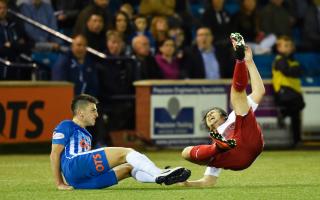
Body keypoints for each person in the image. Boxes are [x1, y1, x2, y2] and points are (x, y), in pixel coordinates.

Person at [50, 94, 191, 190]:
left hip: (80, 181)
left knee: (128, 168)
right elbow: (54, 154)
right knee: (126, 153)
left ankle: (160, 179)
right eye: (93, 110)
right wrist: (59, 183)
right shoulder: (66, 125)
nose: (97, 114)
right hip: (74, 165)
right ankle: (158, 172)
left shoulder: (86, 134)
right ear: (80, 112)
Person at [180, 33, 265, 187]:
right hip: (234, 157)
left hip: (248, 138)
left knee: (238, 101)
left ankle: (239, 60)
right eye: (207, 117)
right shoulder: (215, 142)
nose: (210, 114)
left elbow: (259, 92)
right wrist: (183, 184)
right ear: (209, 127)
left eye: (213, 112)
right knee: (185, 152)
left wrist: (250, 62)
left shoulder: (233, 117)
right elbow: (208, 182)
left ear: (223, 116)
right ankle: (219, 148)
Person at [272, 35, 305, 147]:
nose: (288, 48)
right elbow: (288, 71)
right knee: (298, 105)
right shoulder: (279, 60)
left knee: (296, 116)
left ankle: (297, 140)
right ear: (279, 48)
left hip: (294, 90)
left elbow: (299, 71)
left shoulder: (293, 60)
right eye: (285, 45)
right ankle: (283, 113)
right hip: (283, 90)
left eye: (289, 45)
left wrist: (295, 70)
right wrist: (294, 70)